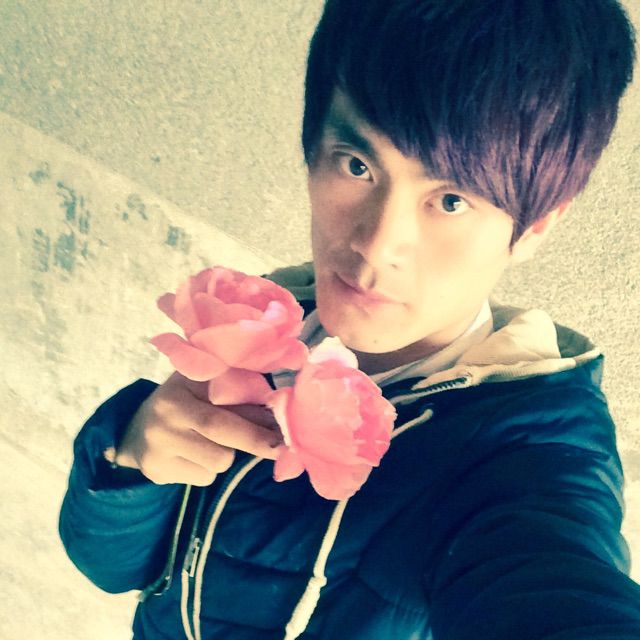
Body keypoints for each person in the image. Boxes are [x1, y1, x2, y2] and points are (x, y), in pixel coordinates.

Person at [59, 1, 640, 638]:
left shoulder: (529, 454)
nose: (375, 244)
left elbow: (555, 580)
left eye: (451, 200)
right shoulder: (263, 325)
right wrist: (129, 460)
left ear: (537, 224)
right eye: (357, 165)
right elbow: (115, 570)